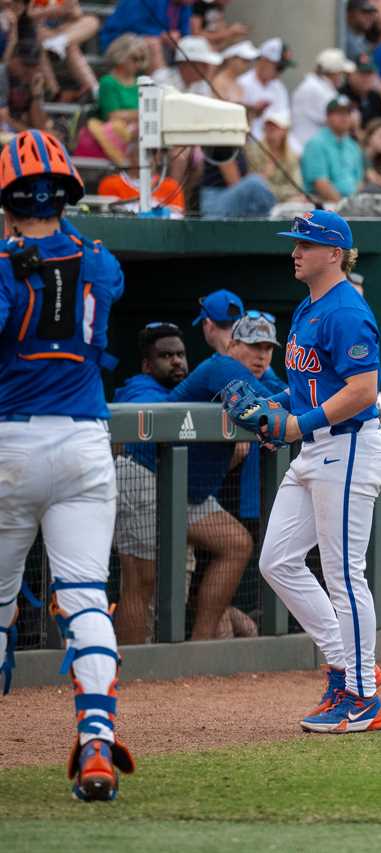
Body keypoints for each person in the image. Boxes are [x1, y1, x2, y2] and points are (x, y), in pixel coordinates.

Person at [0, 129, 134, 799]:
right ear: (67, 194)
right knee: (85, 597)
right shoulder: (100, 259)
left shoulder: (1, 260)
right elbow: (101, 336)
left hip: (10, 442)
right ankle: (97, 742)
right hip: (84, 440)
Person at [249, 211, 381, 733]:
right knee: (278, 560)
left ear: (335, 253)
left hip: (350, 446)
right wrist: (275, 409)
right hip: (316, 447)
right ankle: (346, 666)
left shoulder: (346, 310)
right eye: (295, 243)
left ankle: (362, 698)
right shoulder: (307, 306)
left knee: (343, 575)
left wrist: (296, 424)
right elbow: (310, 382)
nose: (295, 251)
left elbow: (362, 390)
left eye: (306, 244)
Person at [114, 317, 274, 646]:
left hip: (183, 489)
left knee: (235, 543)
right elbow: (276, 404)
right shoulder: (221, 368)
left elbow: (278, 397)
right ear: (231, 346)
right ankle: (127, 668)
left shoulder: (242, 376)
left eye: (268, 349)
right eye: (254, 347)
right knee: (140, 580)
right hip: (144, 474)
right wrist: (349, 402)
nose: (261, 356)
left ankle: (200, 647)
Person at [300, 96, 364, 204]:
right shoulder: (316, 143)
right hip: (324, 204)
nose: (344, 117)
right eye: (339, 113)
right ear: (328, 117)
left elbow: (359, 181)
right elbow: (320, 184)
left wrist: (355, 204)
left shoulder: (353, 145)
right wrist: (344, 207)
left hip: (352, 204)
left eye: (348, 113)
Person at [292, 48, 356, 149]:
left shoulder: (321, 86)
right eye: (341, 73)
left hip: (315, 146)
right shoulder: (315, 88)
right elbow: (343, 121)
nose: (342, 77)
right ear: (333, 73)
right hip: (306, 148)